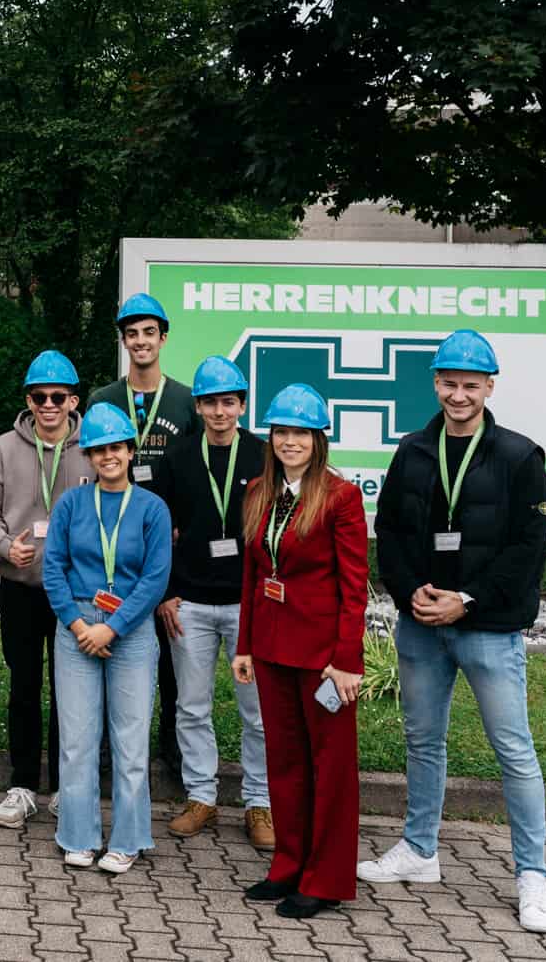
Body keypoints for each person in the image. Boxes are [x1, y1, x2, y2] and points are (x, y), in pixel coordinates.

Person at [362, 329, 546, 935]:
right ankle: (420, 851)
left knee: (513, 751)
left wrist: (467, 601)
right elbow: (390, 531)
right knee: (423, 742)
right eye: (449, 383)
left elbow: (530, 549)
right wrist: (410, 591)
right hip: (421, 625)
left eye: (470, 384)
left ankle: (533, 876)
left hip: (489, 629)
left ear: (489, 387)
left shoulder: (521, 456)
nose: (458, 394)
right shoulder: (413, 450)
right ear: (435, 384)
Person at [233, 383, 366, 919]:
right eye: (282, 432)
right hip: (270, 647)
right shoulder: (259, 491)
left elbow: (355, 587)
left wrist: (347, 661)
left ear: (318, 439)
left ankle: (326, 878)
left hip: (323, 657)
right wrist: (244, 645)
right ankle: (288, 864)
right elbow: (252, 574)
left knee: (330, 766)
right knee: (284, 762)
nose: (290, 441)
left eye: (301, 433)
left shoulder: (341, 497)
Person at [41, 402, 172, 873]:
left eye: (116, 446)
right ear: (89, 456)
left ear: (131, 450)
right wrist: (80, 626)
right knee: (76, 739)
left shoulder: (152, 508)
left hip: (130, 631)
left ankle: (129, 838)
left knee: (130, 739)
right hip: (76, 626)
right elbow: (53, 568)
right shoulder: (72, 503)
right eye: (98, 450)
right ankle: (77, 834)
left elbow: (155, 579)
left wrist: (111, 627)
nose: (108, 456)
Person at [149, 355, 273, 849]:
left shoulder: (264, 456)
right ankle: (201, 796)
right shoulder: (176, 459)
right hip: (192, 605)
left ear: (242, 405)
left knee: (257, 711)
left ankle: (259, 802)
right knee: (191, 706)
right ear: (197, 406)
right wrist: (167, 593)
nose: (220, 412)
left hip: (249, 606)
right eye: (210, 403)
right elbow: (158, 531)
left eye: (229, 401)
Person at [0, 349, 91, 830]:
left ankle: (65, 787)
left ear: (72, 400)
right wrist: (3, 546)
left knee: (71, 692)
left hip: (73, 595)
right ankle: (22, 785)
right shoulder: (3, 449)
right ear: (28, 399)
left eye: (57, 397)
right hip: (19, 587)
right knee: (23, 687)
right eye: (39, 396)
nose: (48, 405)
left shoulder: (91, 448)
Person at [86, 291, 194, 774]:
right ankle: (108, 749)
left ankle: (170, 745)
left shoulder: (187, 400)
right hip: (115, 543)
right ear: (124, 341)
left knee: (171, 645)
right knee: (114, 640)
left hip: (169, 541)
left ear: (163, 337)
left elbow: (196, 472)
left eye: (150, 332)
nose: (141, 341)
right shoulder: (103, 400)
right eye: (132, 334)